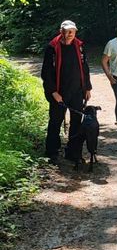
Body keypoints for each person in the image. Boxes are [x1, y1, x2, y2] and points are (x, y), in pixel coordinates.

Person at [41, 20, 92, 164]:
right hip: (59, 92)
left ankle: (73, 152)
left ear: (75, 32)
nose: (70, 34)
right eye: (67, 31)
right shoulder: (52, 48)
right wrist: (53, 92)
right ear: (61, 31)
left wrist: (87, 87)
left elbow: (85, 68)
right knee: (55, 122)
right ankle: (52, 152)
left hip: (77, 91)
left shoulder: (79, 47)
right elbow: (46, 73)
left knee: (76, 121)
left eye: (72, 31)